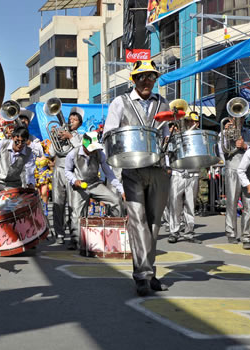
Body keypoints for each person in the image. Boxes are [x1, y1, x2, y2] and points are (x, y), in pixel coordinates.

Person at [103, 60, 170, 296]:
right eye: (142, 77)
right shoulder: (120, 102)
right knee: (137, 221)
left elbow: (166, 134)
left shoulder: (162, 102)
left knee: (154, 224)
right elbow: (108, 134)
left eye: (151, 77)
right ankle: (141, 275)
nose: (147, 81)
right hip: (131, 169)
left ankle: (149, 271)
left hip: (157, 168)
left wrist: (169, 148)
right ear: (134, 79)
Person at [64, 132, 125, 250]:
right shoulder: (73, 154)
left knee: (115, 200)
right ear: (84, 145)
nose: (93, 151)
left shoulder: (100, 154)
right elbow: (67, 171)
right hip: (80, 186)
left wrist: (121, 190)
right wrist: (74, 180)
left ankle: (116, 230)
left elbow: (109, 174)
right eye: (91, 149)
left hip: (95, 183)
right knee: (76, 212)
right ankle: (75, 239)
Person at [218, 106, 250, 244]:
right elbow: (221, 151)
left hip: (247, 171)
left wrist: (245, 146)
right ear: (229, 119)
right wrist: (225, 134)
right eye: (233, 117)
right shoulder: (223, 133)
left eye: (240, 117)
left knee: (249, 203)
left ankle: (247, 235)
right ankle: (231, 232)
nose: (237, 120)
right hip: (232, 169)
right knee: (232, 202)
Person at [49, 107, 84, 245]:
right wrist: (54, 138)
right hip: (58, 169)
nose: (71, 121)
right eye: (70, 119)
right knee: (58, 203)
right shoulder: (60, 133)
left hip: (74, 171)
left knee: (73, 205)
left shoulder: (82, 136)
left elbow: (82, 150)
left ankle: (74, 234)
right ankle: (59, 234)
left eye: (74, 120)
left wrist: (70, 137)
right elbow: (52, 153)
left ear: (80, 123)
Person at [167, 112, 201, 244]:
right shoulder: (175, 136)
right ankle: (174, 231)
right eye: (187, 122)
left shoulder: (198, 135)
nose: (190, 124)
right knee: (175, 204)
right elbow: (169, 152)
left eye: (192, 122)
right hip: (178, 173)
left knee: (190, 205)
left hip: (193, 173)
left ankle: (189, 232)